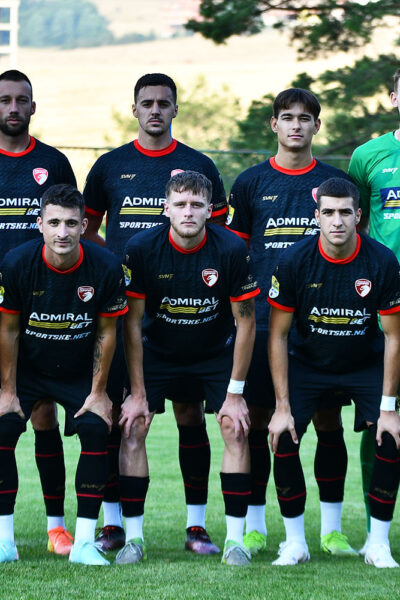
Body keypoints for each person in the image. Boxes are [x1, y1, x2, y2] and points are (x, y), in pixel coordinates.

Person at [83, 73, 227, 554]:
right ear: (135, 109)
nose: (155, 111)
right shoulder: (110, 166)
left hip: (187, 313)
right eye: (147, 103)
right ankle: (114, 525)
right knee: (120, 418)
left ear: (175, 109)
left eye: (164, 103)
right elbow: (88, 230)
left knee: (190, 415)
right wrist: (115, 267)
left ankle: (196, 526)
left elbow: (219, 236)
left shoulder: (199, 165)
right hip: (124, 312)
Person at [226, 88, 354, 557]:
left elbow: (350, 247)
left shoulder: (334, 182)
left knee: (328, 421)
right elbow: (236, 252)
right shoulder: (250, 182)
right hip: (264, 321)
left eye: (304, 118)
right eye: (287, 117)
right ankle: (256, 525)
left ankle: (332, 530)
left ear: (317, 125)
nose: (296, 125)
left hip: (322, 322)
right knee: (262, 422)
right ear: (274, 125)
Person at [117, 170, 259, 566]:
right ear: (166, 208)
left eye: (197, 204)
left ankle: (235, 541)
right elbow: (131, 322)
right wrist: (138, 393)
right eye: (180, 204)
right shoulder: (141, 248)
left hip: (214, 352)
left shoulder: (230, 248)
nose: (188, 212)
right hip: (157, 351)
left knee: (234, 426)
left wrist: (235, 394)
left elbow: (246, 322)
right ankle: (133, 539)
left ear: (210, 210)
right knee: (134, 424)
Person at [268, 177, 400, 568]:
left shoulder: (381, 261)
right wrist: (281, 406)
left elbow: (394, 336)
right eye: (328, 212)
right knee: (283, 434)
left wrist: (389, 408)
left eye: (345, 212)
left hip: (364, 363)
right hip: (308, 363)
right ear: (317, 216)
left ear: (358, 216)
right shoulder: (294, 261)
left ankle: (378, 544)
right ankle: (295, 543)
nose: (337, 220)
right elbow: (277, 335)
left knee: (391, 436)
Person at [0, 184, 128, 565]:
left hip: (77, 369)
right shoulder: (16, 263)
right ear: (40, 224)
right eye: (54, 222)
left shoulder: (105, 266)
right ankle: (4, 542)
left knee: (96, 428)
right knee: (3, 427)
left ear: (84, 226)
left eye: (71, 223)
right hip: (29, 368)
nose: (62, 232)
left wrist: (99, 392)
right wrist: (7, 391)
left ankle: (84, 543)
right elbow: (8, 330)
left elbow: (107, 332)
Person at [0, 69, 77, 555]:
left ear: (33, 106)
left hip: (42, 309)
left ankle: (55, 527)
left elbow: (71, 229)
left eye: (20, 100)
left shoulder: (53, 162)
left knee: (43, 414)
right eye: (4, 99)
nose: (13, 107)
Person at [348, 66, 400, 554]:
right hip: (386, 304)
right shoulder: (369, 155)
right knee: (380, 413)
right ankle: (375, 532)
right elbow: (356, 228)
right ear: (393, 98)